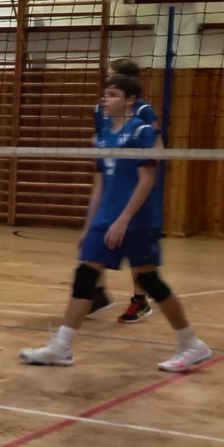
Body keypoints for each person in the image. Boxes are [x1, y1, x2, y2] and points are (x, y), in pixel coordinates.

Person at [20, 74, 212, 373]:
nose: (105, 99)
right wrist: (89, 225)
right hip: (105, 219)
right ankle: (62, 347)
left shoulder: (142, 131)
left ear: (130, 100)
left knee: (150, 281)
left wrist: (124, 219)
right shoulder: (103, 136)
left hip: (135, 220)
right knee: (85, 276)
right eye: (105, 94)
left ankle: (191, 343)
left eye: (112, 95)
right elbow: (99, 183)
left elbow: (148, 180)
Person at [86, 58, 160, 324]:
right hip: (109, 182)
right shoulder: (100, 109)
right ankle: (97, 294)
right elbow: (101, 142)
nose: (106, 78)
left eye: (112, 74)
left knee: (137, 248)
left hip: (135, 182)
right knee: (94, 238)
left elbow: (157, 150)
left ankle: (140, 300)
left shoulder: (144, 111)